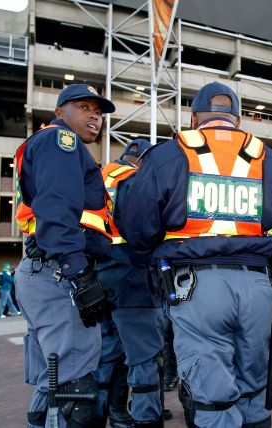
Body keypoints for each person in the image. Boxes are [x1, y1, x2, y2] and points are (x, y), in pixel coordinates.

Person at [121, 81, 272, 428]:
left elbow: (137, 225)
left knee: (212, 395)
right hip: (258, 286)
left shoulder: (168, 155)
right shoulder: (271, 159)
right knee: (254, 392)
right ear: (238, 119)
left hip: (197, 285)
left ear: (194, 117)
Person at [14, 83, 114, 428]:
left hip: (44, 269)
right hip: (58, 272)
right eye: (84, 108)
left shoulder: (49, 143)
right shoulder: (62, 141)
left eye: (98, 112)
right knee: (74, 388)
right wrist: (78, 271)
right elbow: (57, 207)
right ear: (60, 112)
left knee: (54, 380)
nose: (94, 117)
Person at [94, 138, 166, 427]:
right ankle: (146, 417)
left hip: (99, 276)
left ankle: (103, 414)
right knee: (144, 357)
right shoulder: (138, 180)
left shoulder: (100, 177)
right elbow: (146, 231)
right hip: (133, 277)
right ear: (144, 161)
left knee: (106, 356)